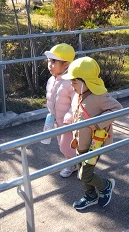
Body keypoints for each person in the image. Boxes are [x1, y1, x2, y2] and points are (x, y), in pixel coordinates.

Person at [61, 56, 123, 210]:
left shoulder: (99, 97)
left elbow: (117, 108)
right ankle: (90, 195)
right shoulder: (78, 95)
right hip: (80, 142)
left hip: (94, 144)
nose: (71, 85)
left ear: (86, 81)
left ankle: (105, 185)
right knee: (82, 170)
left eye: (74, 82)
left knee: (84, 174)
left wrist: (98, 122)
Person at [43, 43, 78, 178]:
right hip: (57, 120)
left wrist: (69, 117)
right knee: (61, 144)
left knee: (66, 145)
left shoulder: (71, 81)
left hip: (69, 122)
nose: (50, 65)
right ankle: (72, 163)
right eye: (49, 61)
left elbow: (75, 101)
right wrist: (51, 111)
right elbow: (51, 97)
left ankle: (82, 164)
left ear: (66, 65)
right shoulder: (52, 79)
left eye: (54, 61)